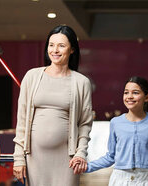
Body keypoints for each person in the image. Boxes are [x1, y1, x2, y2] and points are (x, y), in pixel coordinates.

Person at [12, 25, 93, 186]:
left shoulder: (81, 82)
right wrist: (18, 157)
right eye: (51, 45)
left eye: (61, 45)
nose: (55, 50)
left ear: (72, 50)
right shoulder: (32, 76)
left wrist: (81, 153)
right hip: (34, 156)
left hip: (67, 158)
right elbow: (21, 120)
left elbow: (85, 123)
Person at [86, 76, 148, 186]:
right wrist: (87, 167)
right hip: (119, 179)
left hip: (146, 179)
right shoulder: (116, 123)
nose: (129, 96)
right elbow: (111, 156)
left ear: (147, 97)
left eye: (135, 93)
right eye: (126, 93)